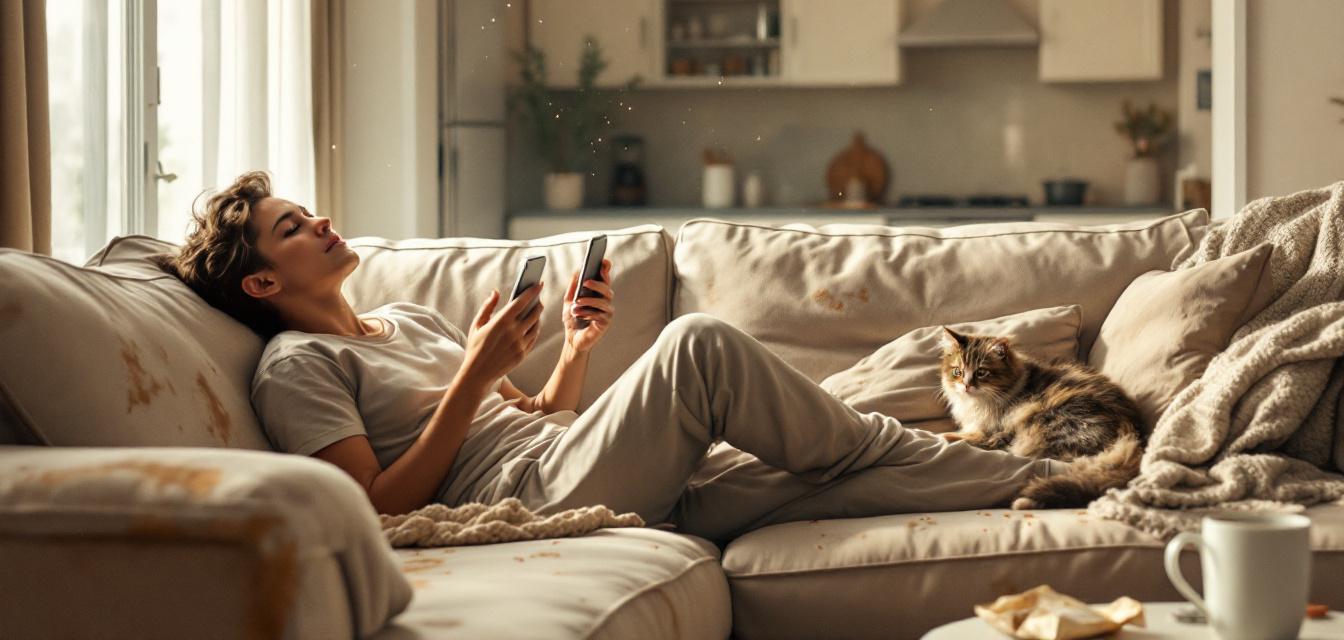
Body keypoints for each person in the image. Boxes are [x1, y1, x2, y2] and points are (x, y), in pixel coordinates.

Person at [162, 171, 1067, 544]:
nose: (319, 222)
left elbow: (537, 418)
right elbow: (369, 506)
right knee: (700, 345)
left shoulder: (405, 320)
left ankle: (1053, 478)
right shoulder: (297, 368)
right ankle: (898, 441)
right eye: (292, 229)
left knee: (811, 482)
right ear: (262, 286)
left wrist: (577, 350)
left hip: (566, 457)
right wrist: (475, 375)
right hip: (522, 499)